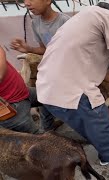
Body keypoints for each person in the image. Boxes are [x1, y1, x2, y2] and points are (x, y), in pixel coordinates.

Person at [35, 0, 109, 179]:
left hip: (48, 93)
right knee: (106, 133)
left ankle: (105, 155)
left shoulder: (80, 19)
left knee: (92, 129)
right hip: (75, 92)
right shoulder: (108, 16)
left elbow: (89, 67)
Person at [10, 0, 70, 131]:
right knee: (44, 101)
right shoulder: (35, 23)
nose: (27, 3)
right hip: (50, 73)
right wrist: (28, 48)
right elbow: (45, 48)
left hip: (68, 74)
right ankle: (48, 135)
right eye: (25, 0)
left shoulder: (66, 22)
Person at [0, 46, 51, 133]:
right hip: (10, 107)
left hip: (22, 91)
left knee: (49, 98)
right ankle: (47, 138)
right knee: (37, 140)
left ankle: (48, 129)